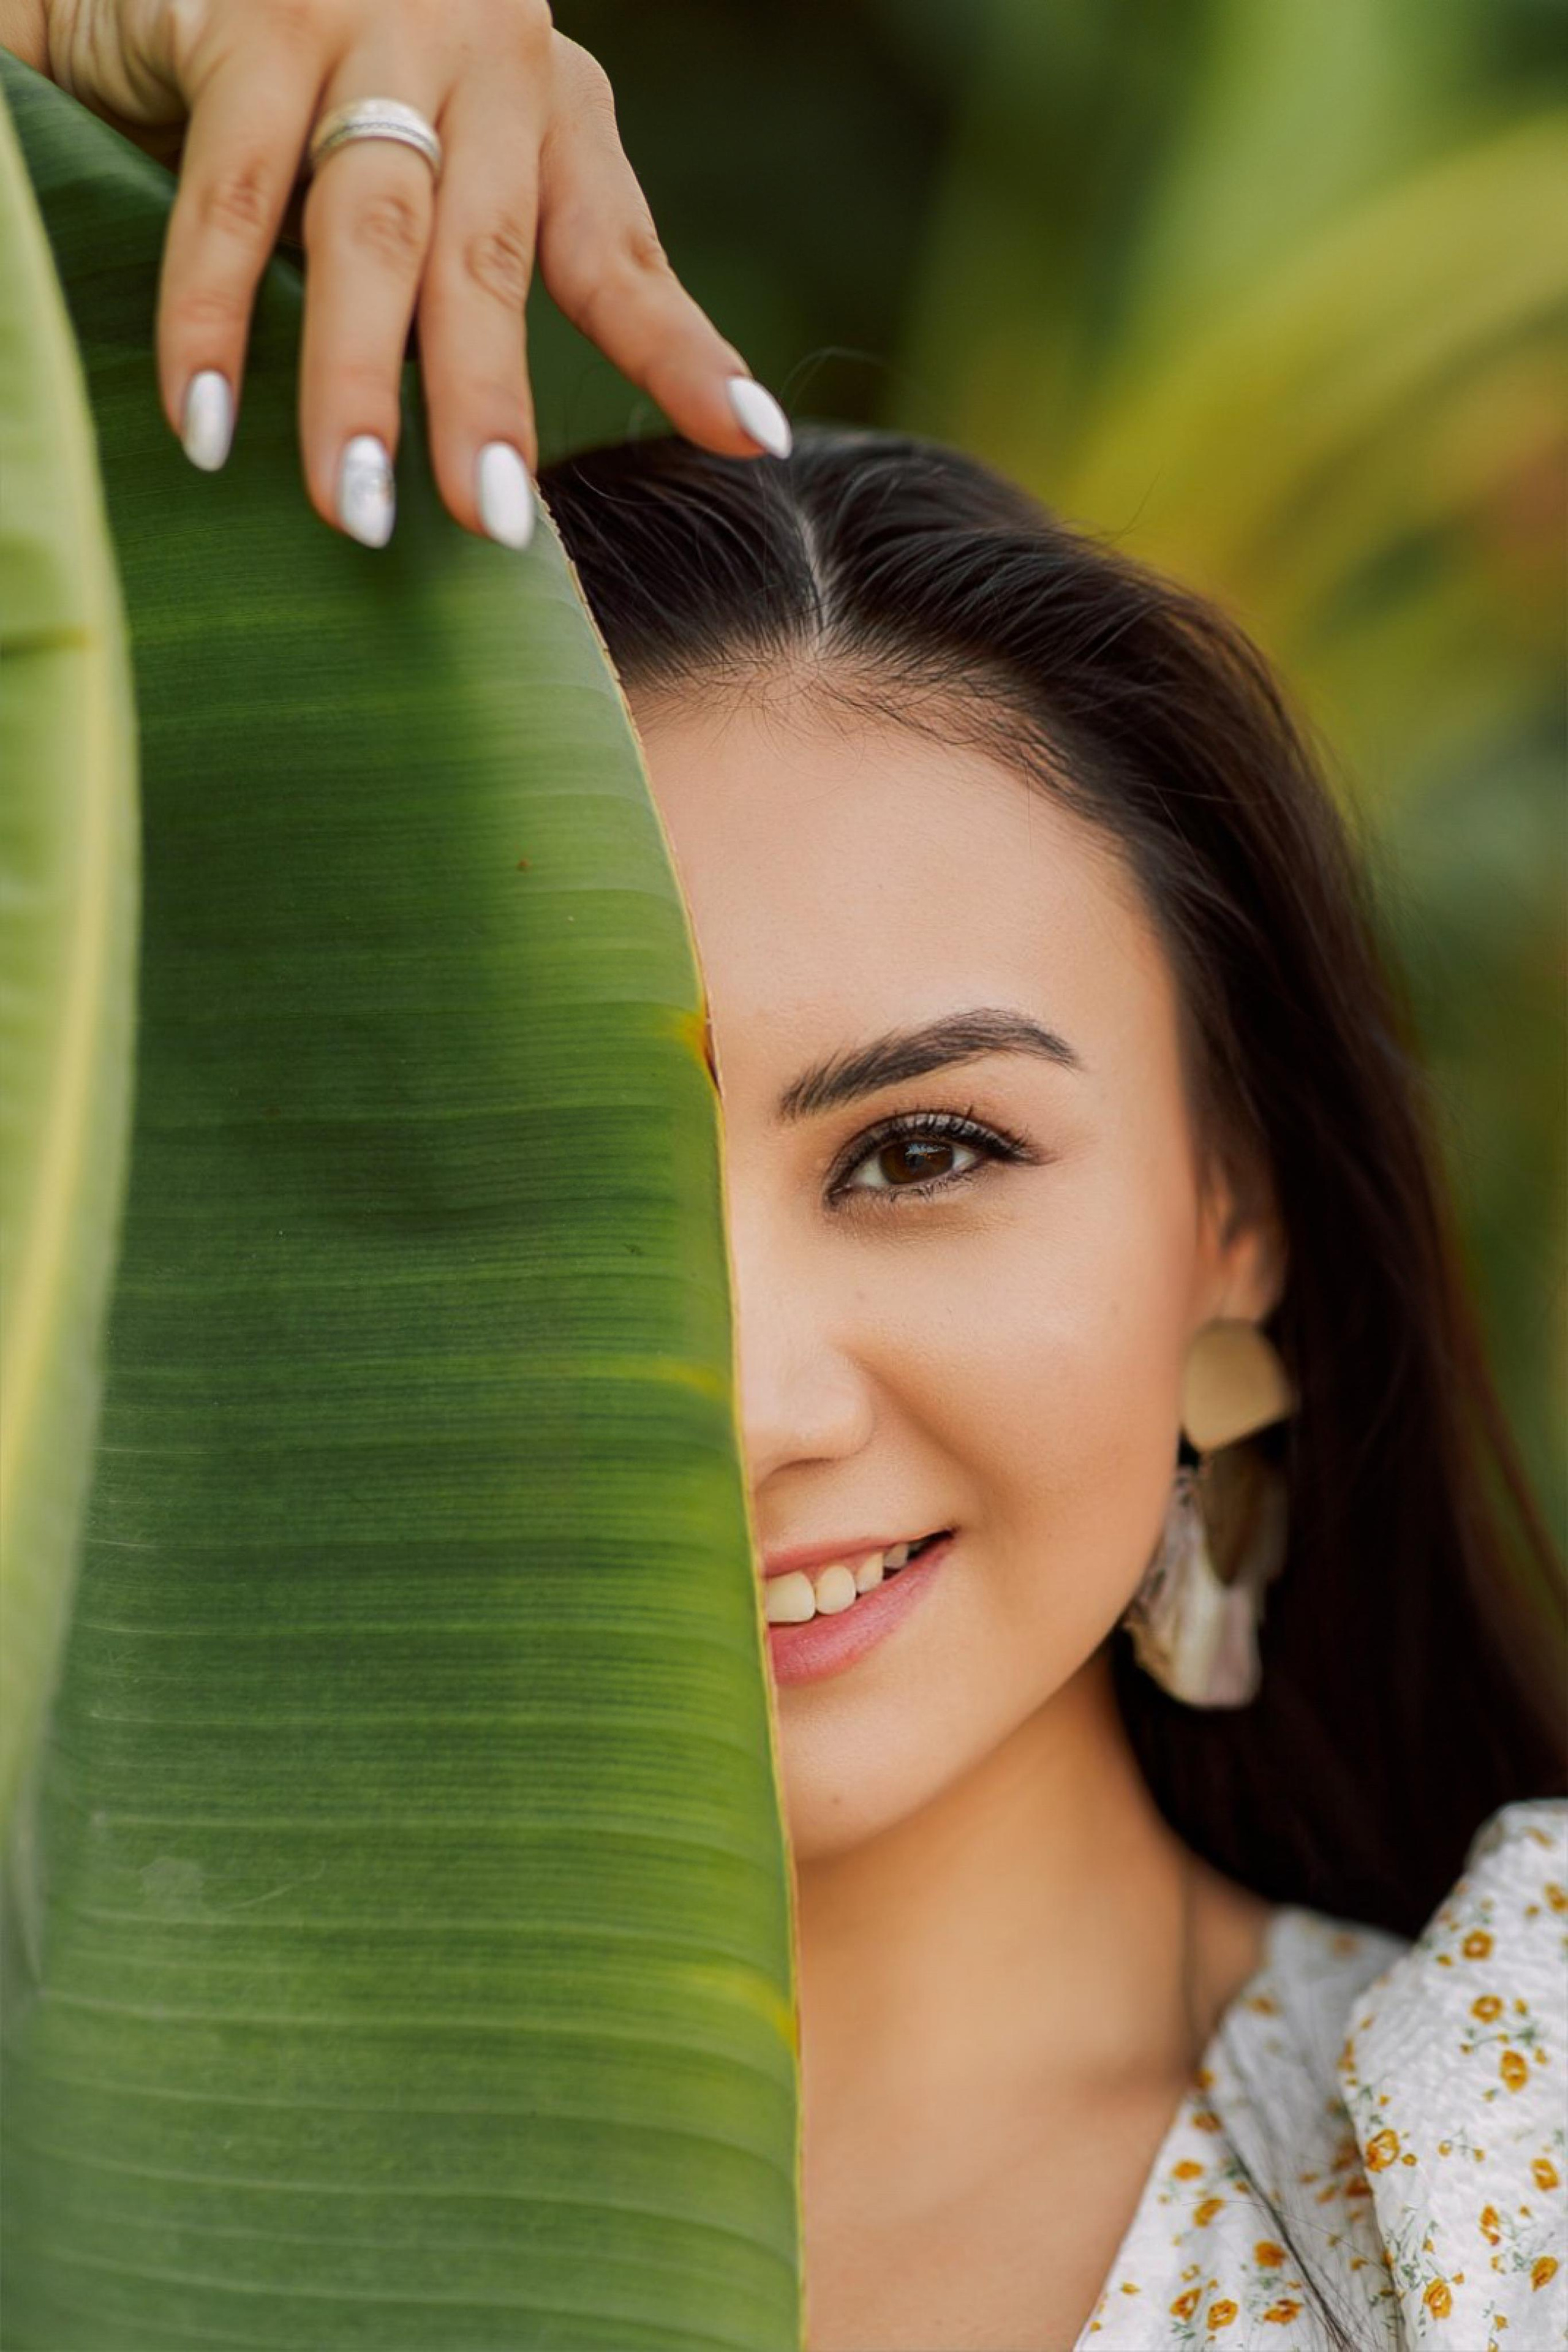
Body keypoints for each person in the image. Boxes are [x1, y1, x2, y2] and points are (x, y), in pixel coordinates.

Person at [5, 6, 1565, 2346]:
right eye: (547, 1163)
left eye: (925, 1149)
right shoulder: (85, 2187)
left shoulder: (1504, 2133)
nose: (734, 1402)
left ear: (1234, 1213)